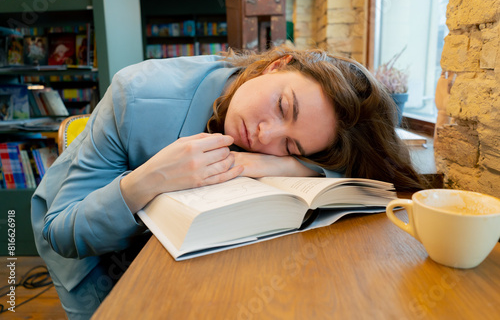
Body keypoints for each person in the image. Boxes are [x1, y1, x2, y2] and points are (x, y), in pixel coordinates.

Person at [31, 46, 423, 319]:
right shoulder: (138, 94)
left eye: (291, 145)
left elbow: (368, 178)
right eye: (283, 106)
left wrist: (294, 167)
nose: (265, 135)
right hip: (89, 253)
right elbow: (64, 232)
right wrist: (147, 180)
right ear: (277, 64)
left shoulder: (290, 145)